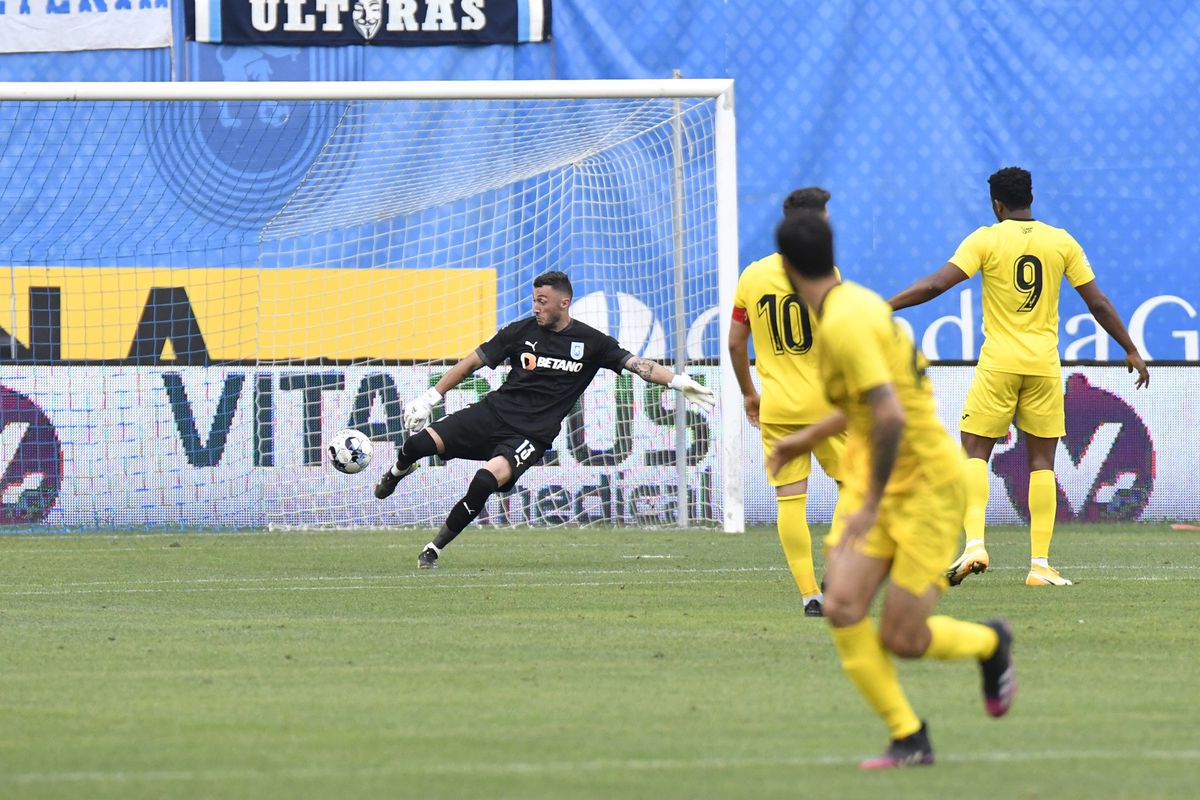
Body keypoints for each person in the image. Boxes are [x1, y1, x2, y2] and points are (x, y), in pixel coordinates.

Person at [769, 210, 1015, 769]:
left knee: (903, 638)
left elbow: (888, 417)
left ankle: (989, 643)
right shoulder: (857, 305)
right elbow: (864, 403)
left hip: (925, 486)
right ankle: (909, 736)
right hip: (875, 482)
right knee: (842, 606)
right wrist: (800, 439)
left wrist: (872, 502)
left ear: (784, 268)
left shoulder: (844, 323)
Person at [888, 167, 1149, 587]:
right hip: (1044, 366)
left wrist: (887, 305)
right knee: (1042, 461)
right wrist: (1131, 349)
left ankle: (975, 543)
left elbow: (937, 284)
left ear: (996, 204)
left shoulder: (986, 239)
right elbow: (1097, 301)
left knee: (974, 450)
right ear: (1032, 198)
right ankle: (1040, 565)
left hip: (999, 364)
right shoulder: (1060, 241)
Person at [374, 270, 716, 568]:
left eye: (542, 301)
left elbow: (637, 364)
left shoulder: (591, 342)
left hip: (530, 436)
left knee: (483, 482)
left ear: (563, 303)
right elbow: (472, 362)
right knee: (417, 444)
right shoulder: (519, 331)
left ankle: (432, 550)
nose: (536, 307)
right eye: (534, 300)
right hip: (491, 414)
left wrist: (676, 381)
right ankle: (396, 473)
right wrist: (432, 396)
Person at [728, 187, 847, 616]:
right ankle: (837, 570)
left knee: (790, 499)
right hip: (827, 406)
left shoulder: (752, 276)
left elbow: (736, 344)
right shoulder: (826, 274)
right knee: (856, 485)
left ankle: (810, 595)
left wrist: (749, 394)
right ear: (817, 223)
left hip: (777, 405)